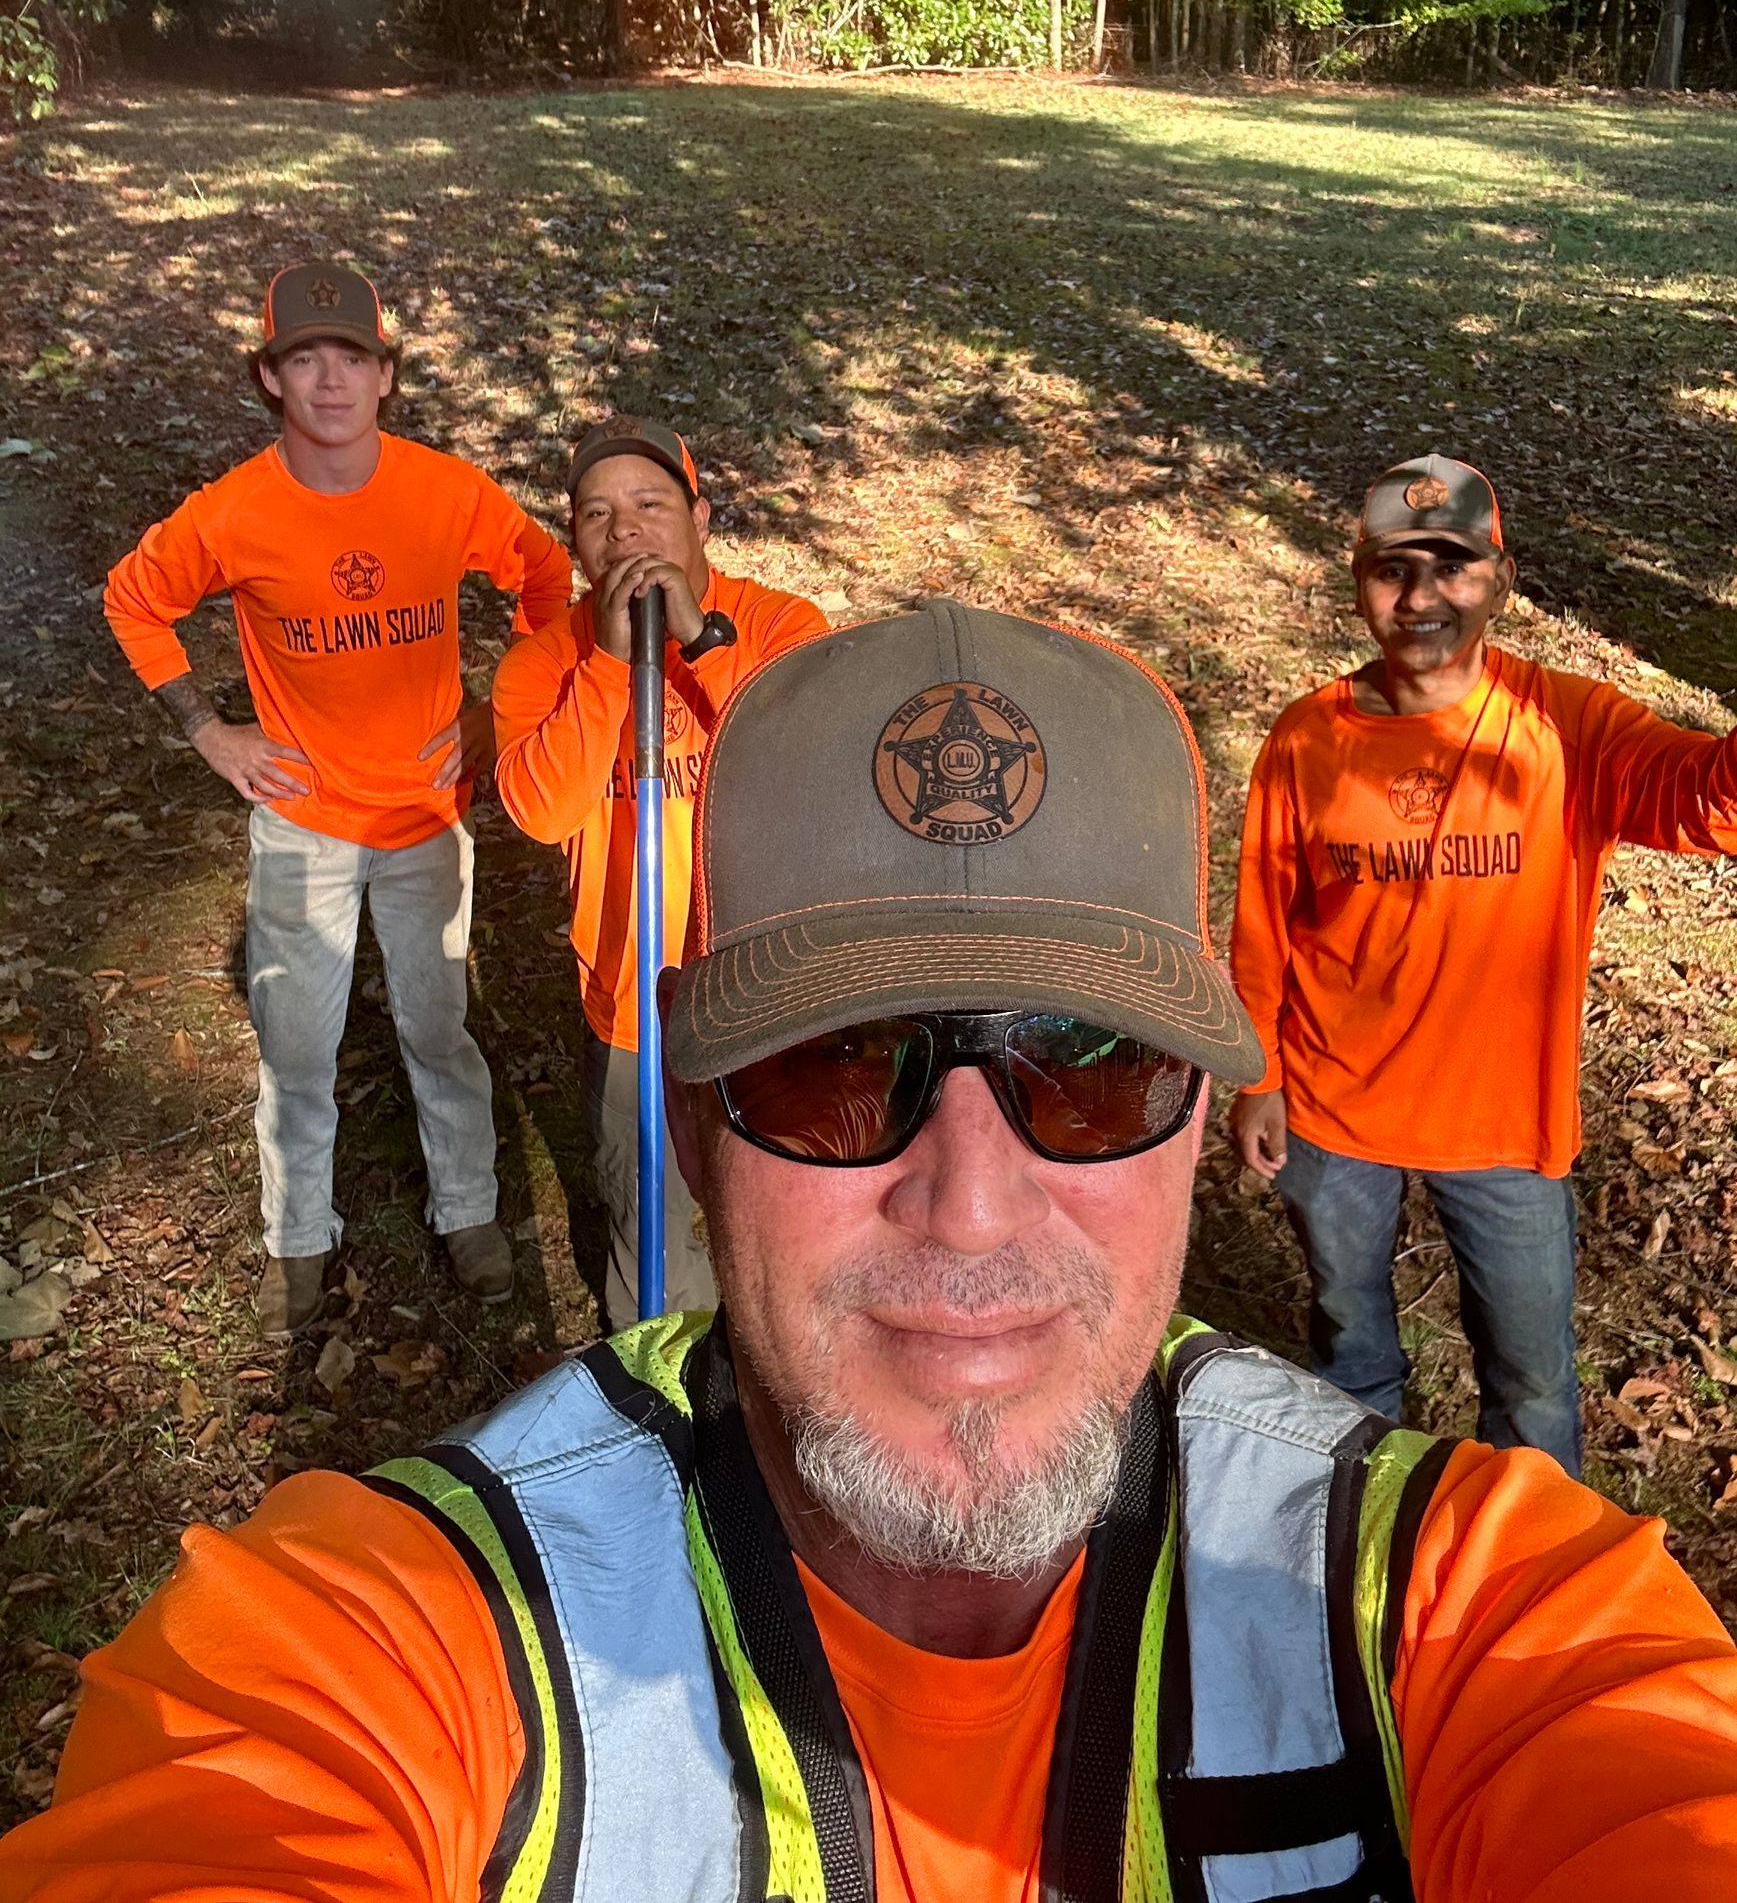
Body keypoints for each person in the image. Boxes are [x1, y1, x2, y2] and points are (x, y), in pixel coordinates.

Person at [7, 598, 1737, 1903]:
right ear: (691, 1128)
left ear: (1201, 1122)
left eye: (1088, 1067)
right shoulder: (379, 1642)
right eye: (835, 1070)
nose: (969, 1201)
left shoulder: (1485, 1613)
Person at [1230, 452, 1737, 1475]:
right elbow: (1263, 923)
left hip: (1501, 1125)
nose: (1419, 598)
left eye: (1451, 566)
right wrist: (1256, 1077)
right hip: (1332, 1113)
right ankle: (1360, 1530)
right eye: (1390, 568)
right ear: (1357, 575)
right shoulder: (1306, 738)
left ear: (1501, 580)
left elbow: (1707, 804)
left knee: (1534, 1383)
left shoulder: (1569, 728)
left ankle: (1529, 1574)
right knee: (1351, 1350)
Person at [102, 263, 573, 1333]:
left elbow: (546, 581)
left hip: (425, 820)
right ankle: (296, 1241)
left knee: (441, 1031)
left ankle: (469, 1212)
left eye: (350, 357)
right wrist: (208, 730)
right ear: (270, 378)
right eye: (303, 358)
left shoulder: (445, 492)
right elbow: (134, 601)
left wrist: (500, 712)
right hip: (303, 825)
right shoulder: (235, 512)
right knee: (298, 1051)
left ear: (385, 374)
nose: (329, 380)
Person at [492, 414, 825, 1329]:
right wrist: (606, 664)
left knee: (787, 1221)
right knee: (653, 1233)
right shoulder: (542, 660)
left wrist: (702, 641)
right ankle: (663, 1407)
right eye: (596, 516)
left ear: (700, 516)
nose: (624, 531)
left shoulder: (782, 628)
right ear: (574, 541)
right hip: (635, 1005)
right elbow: (541, 810)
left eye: (648, 504)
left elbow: (806, 773)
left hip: (767, 990)